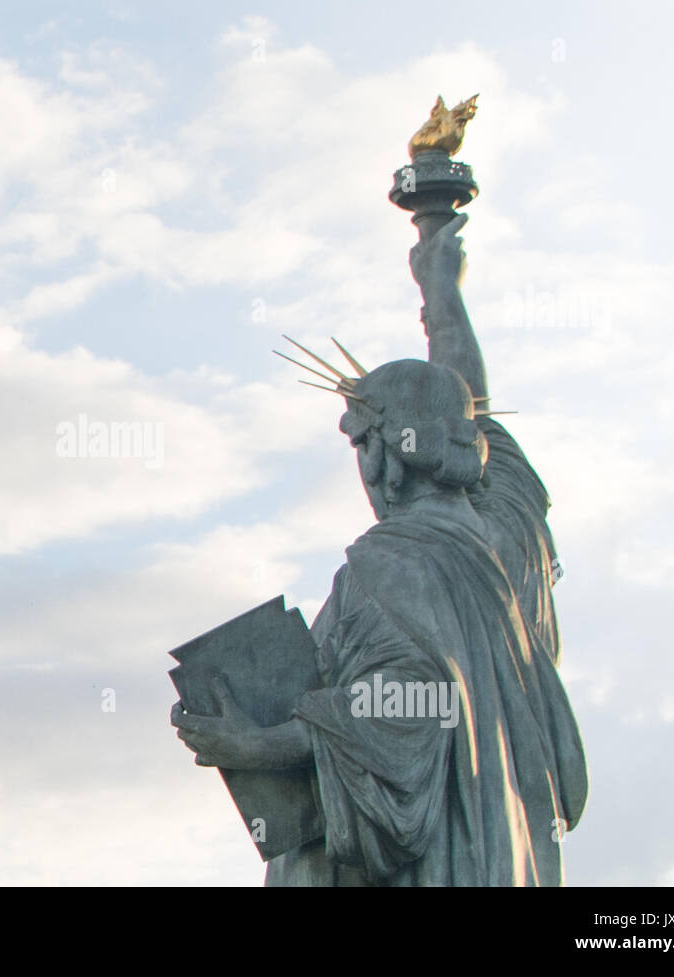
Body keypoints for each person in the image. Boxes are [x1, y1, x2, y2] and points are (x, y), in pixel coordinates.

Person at [171, 214, 587, 885]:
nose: (363, 469)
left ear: (390, 454)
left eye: (364, 445)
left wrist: (259, 744)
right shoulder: (512, 538)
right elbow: (468, 396)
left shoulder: (385, 567)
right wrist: (440, 281)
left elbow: (404, 706)